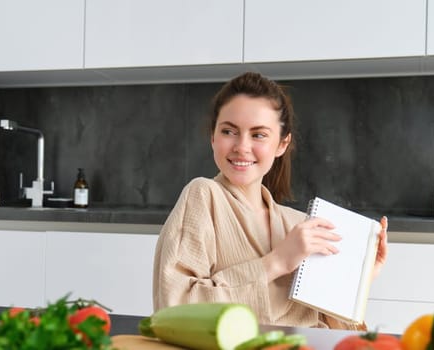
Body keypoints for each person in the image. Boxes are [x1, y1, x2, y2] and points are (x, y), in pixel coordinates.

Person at [152, 72, 389, 330]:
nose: (242, 146)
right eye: (229, 131)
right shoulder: (203, 196)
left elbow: (334, 333)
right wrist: (277, 262)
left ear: (282, 144)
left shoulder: (298, 224)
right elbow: (174, 310)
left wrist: (357, 283)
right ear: (213, 137)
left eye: (259, 135)